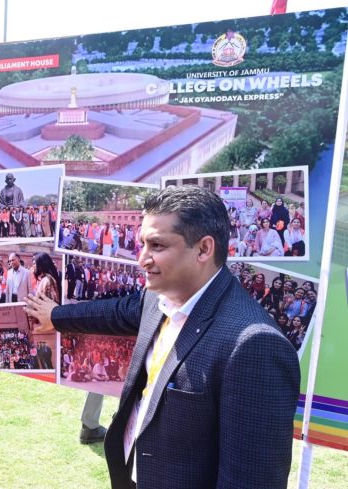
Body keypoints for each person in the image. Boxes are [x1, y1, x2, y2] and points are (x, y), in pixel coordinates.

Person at [24, 185, 299, 489]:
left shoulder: (253, 346)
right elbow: (115, 313)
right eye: (142, 244)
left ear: (204, 249)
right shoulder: (158, 299)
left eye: (156, 246)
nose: (141, 259)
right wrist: (55, 317)